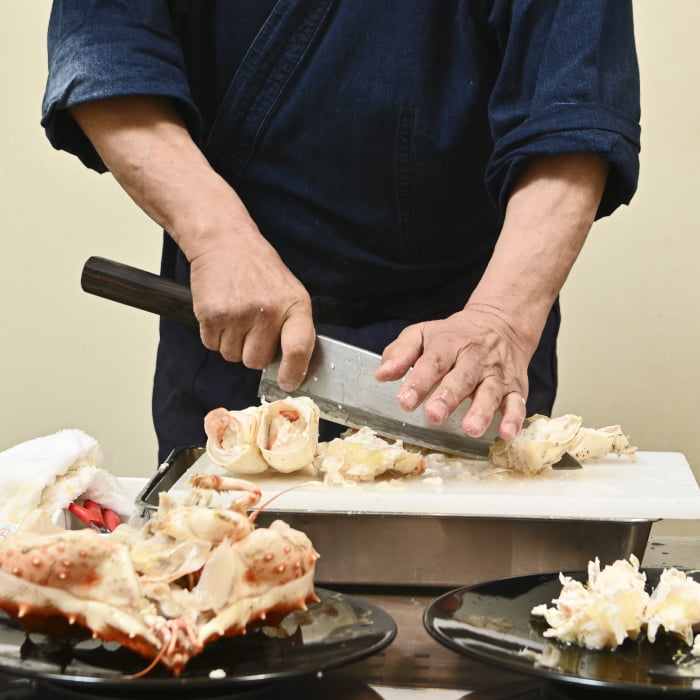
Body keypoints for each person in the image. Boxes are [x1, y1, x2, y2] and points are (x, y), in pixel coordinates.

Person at [42, 1, 640, 463]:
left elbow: (574, 104)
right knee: (222, 572)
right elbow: (106, 46)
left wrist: (502, 318)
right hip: (242, 330)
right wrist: (219, 238)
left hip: (465, 350)